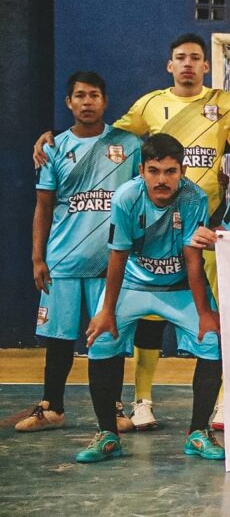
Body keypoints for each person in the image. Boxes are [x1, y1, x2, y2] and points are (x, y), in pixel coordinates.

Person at [34, 33, 230, 431]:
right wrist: (50, 136)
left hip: (202, 231)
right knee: (124, 330)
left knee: (214, 328)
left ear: (207, 66)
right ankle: (138, 402)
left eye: (195, 58)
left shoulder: (227, 105)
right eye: (180, 58)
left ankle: (217, 410)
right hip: (138, 250)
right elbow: (100, 137)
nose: (188, 64)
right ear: (169, 65)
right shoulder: (147, 110)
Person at [78, 134, 223, 463]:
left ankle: (198, 433)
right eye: (154, 171)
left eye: (170, 172)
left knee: (213, 340)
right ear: (141, 170)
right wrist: (107, 311)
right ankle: (107, 434)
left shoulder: (194, 197)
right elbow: (117, 257)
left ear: (182, 171)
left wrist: (203, 313)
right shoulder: (126, 197)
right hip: (133, 284)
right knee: (101, 338)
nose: (162, 180)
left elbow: (192, 260)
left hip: (179, 288)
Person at [16, 72, 141, 434]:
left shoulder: (128, 144)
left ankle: (115, 408)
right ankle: (52, 407)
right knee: (58, 339)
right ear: (69, 103)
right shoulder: (53, 147)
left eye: (95, 96)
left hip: (111, 264)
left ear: (105, 101)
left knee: (108, 338)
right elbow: (43, 206)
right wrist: (38, 258)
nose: (88, 102)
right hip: (63, 262)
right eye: (80, 96)